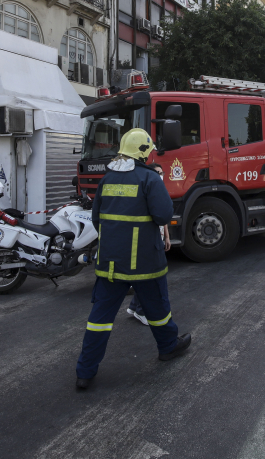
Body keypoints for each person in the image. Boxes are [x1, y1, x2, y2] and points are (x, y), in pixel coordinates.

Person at [75, 129, 191, 390]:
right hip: (145, 262)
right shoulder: (149, 178)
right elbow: (163, 216)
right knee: (158, 309)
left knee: (99, 318)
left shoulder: (107, 179)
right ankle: (168, 347)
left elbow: (96, 219)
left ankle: (85, 372)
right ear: (143, 152)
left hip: (111, 263)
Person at [125, 162, 171, 326]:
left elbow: (163, 217)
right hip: (149, 240)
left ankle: (133, 307)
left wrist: (167, 236)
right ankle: (141, 311)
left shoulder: (160, 188)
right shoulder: (148, 190)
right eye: (157, 172)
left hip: (158, 238)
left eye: (161, 172)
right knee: (151, 277)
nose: (160, 175)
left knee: (147, 276)